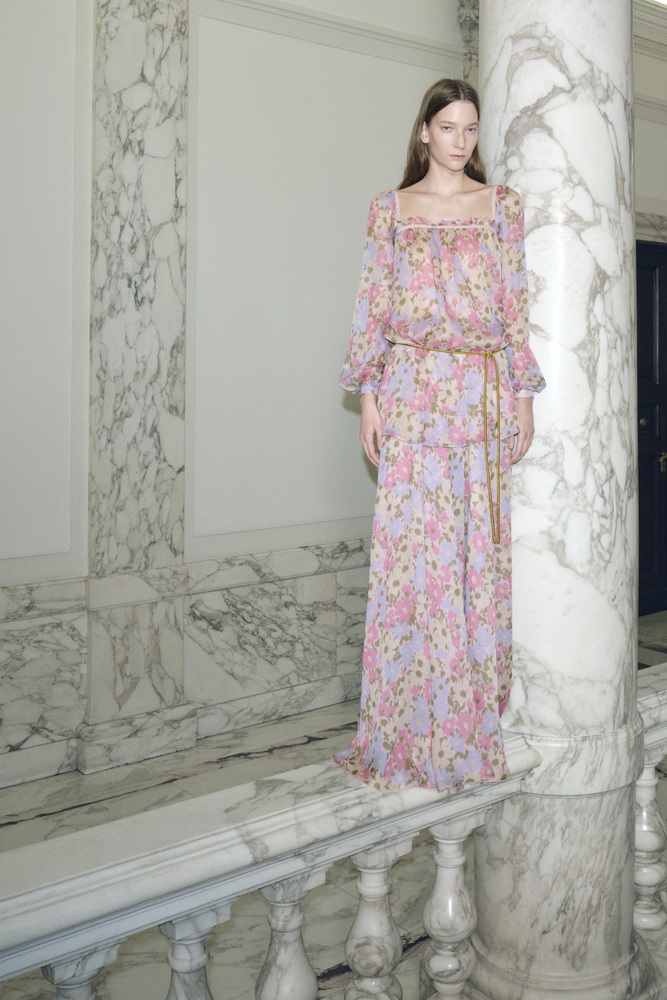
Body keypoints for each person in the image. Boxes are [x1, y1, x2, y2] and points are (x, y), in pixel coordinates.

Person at [333, 78, 546, 793]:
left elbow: (513, 306)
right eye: (448, 127)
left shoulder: (501, 206)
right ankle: (401, 725)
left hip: (479, 394)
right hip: (410, 391)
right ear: (423, 131)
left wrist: (521, 396)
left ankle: (465, 720)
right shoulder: (390, 210)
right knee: (412, 556)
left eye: (470, 129)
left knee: (472, 555)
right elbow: (371, 306)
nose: (460, 141)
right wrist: (369, 400)